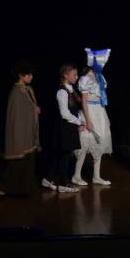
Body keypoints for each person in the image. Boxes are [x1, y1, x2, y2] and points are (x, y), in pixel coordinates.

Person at [0, 60, 40, 196]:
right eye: (28, 75)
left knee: (27, 161)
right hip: (19, 131)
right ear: (21, 75)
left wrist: (34, 109)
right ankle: (4, 187)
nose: (31, 77)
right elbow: (15, 115)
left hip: (27, 132)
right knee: (17, 161)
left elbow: (28, 108)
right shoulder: (16, 91)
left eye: (31, 74)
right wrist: (32, 110)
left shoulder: (27, 89)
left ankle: (23, 189)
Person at [73, 48, 112, 186]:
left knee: (100, 143)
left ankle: (96, 176)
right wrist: (88, 120)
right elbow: (84, 101)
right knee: (85, 143)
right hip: (89, 111)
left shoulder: (100, 77)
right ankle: (76, 175)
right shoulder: (85, 78)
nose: (102, 65)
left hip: (100, 111)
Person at [44, 64, 82, 192]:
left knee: (60, 155)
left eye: (77, 74)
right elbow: (64, 113)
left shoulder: (71, 90)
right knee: (64, 156)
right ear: (65, 75)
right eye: (74, 74)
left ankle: (48, 179)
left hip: (69, 127)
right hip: (64, 128)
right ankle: (63, 184)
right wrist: (79, 122)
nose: (76, 77)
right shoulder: (62, 91)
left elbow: (74, 108)